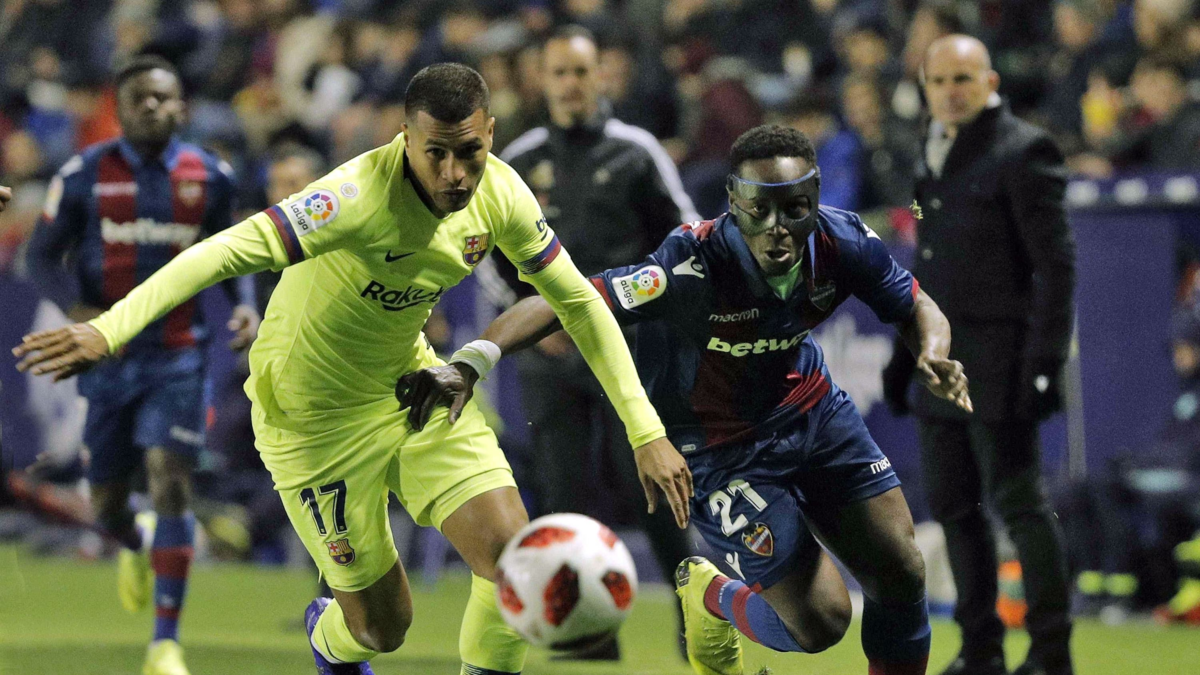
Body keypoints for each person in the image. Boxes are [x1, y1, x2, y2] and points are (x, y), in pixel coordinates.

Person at [13, 62, 692, 675]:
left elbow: (578, 300)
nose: (455, 174)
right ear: (405, 138)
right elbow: (222, 251)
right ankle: (328, 633)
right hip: (311, 419)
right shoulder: (353, 196)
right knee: (380, 629)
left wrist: (646, 430)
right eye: (435, 154)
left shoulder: (502, 194)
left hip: (412, 388)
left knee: (512, 558)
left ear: (490, 132)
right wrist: (109, 326)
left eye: (470, 152)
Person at [402, 124, 973, 675]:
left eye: (794, 209)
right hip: (718, 451)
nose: (777, 228)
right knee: (822, 623)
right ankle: (710, 595)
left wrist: (934, 353)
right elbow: (566, 300)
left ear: (815, 199)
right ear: (734, 201)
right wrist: (473, 360)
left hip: (813, 413)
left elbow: (916, 304)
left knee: (903, 571)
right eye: (759, 209)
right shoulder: (689, 265)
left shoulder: (843, 240)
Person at [20, 55, 260, 675]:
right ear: (121, 110)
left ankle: (164, 643)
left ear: (182, 106)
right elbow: (39, 257)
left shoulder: (210, 176)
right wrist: (78, 311)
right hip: (107, 358)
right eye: (140, 98)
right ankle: (134, 541)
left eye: (164, 97)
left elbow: (236, 253)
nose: (153, 106)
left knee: (169, 477)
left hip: (179, 355)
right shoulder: (83, 174)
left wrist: (244, 307)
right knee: (106, 504)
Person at [489, 24, 699, 660]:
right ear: (543, 80)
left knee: (653, 486)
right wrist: (534, 324)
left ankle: (696, 622)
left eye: (581, 72)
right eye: (559, 73)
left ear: (600, 76)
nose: (571, 84)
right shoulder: (519, 159)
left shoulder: (637, 151)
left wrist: (638, 315)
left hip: (627, 350)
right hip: (549, 355)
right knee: (562, 493)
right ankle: (585, 637)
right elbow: (490, 255)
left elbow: (685, 240)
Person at [883, 35, 1077, 675]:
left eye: (963, 79)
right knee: (956, 510)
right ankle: (980, 651)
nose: (950, 92)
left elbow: (1055, 268)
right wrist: (904, 350)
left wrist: (1043, 365)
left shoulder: (1024, 151)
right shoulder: (931, 148)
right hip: (941, 363)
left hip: (1002, 361)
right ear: (924, 88)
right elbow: (926, 260)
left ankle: (1050, 654)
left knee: (1021, 506)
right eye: (939, 81)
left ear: (991, 81)